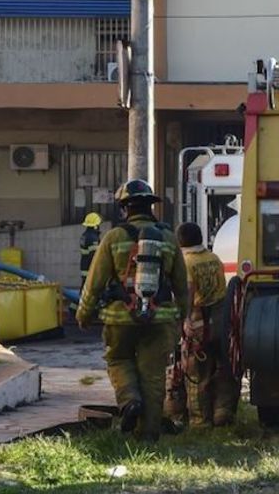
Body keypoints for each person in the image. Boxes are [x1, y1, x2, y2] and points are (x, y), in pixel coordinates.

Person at [76, 180, 188, 441]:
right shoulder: (169, 239)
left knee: (118, 359)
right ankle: (148, 435)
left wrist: (84, 313)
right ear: (151, 207)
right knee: (153, 376)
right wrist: (182, 318)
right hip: (160, 320)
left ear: (125, 208)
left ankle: (129, 401)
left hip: (120, 319)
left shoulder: (113, 237)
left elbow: (94, 282)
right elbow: (181, 286)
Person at [174, 222, 239, 427]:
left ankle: (200, 422)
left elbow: (188, 295)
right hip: (222, 323)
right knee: (224, 369)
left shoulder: (186, 263)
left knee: (197, 375)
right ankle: (223, 412)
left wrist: (185, 323)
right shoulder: (214, 258)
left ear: (180, 241)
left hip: (199, 326)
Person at [79, 213, 102, 289]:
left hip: (84, 268)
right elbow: (95, 256)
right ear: (95, 226)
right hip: (90, 270)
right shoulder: (93, 238)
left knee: (84, 289)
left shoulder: (84, 235)